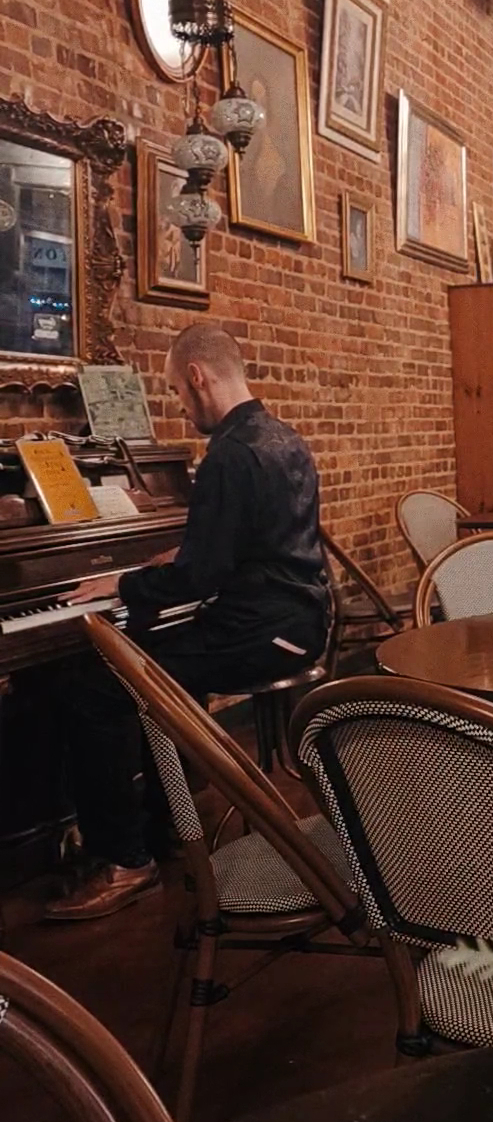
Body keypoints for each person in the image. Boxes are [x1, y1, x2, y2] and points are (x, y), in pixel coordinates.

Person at [48, 323, 329, 921]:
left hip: (261, 634)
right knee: (155, 657)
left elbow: (200, 577)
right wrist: (176, 559)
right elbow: (248, 541)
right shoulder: (281, 436)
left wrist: (123, 584)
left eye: (177, 389)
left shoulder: (230, 453)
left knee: (97, 684)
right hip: (300, 620)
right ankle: (170, 823)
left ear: (198, 377)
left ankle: (125, 860)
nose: (179, 403)